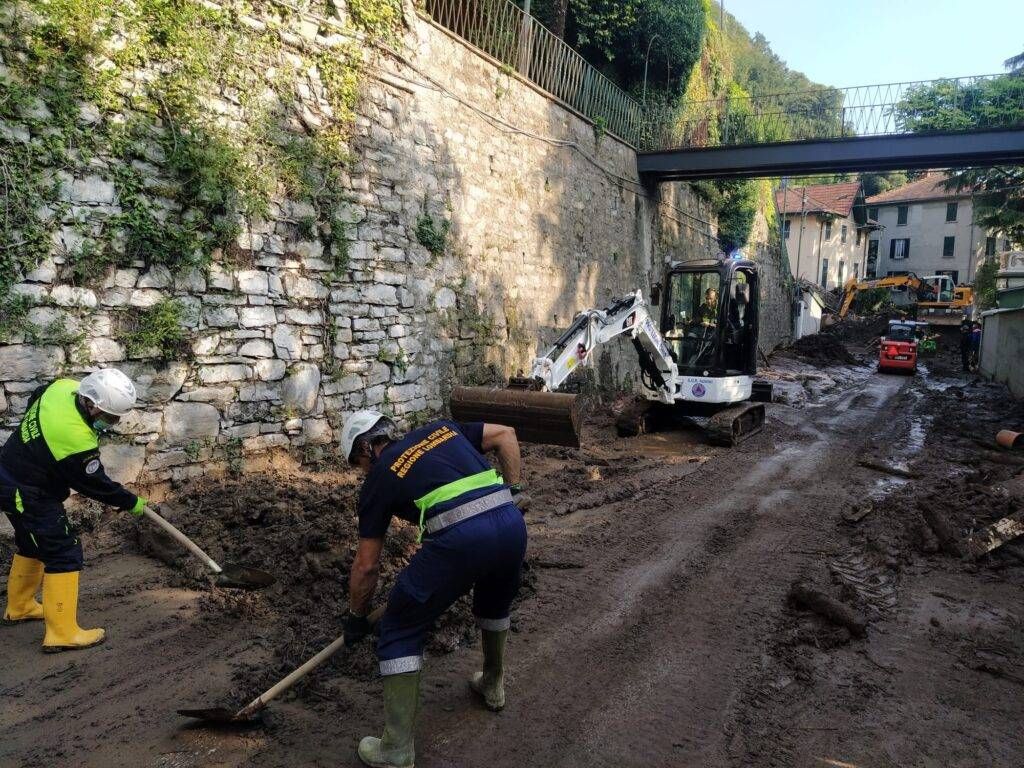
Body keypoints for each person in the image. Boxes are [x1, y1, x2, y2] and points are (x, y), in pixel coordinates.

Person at [340, 411, 527, 768]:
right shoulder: (441, 430)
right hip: (510, 524)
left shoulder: (380, 476)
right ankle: (492, 683)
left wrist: (356, 617)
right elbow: (507, 433)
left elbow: (366, 566)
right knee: (494, 603)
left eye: (358, 462)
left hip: (461, 541)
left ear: (367, 447)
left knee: (398, 628)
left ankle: (395, 749)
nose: (362, 470)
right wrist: (515, 491)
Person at [0, 369, 148, 652]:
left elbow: (35, 396)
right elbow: (95, 484)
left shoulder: (62, 388)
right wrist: (132, 502)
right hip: (28, 492)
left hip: (8, 473)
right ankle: (62, 634)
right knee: (63, 551)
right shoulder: (75, 439)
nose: (113, 423)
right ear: (91, 405)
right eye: (109, 417)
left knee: (31, 543)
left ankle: (19, 606)